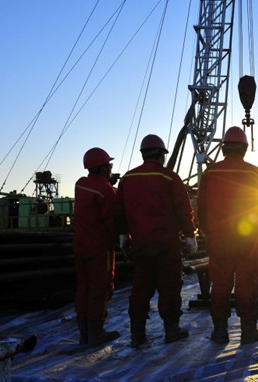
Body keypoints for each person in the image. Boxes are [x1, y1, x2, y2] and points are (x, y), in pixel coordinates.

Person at [114, 134, 198, 347]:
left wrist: (123, 236)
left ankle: (137, 335)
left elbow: (120, 211)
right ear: (162, 154)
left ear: (143, 154)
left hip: (141, 245)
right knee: (169, 287)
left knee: (141, 289)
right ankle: (171, 330)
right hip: (166, 245)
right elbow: (183, 209)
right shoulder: (170, 178)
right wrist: (190, 235)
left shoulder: (127, 179)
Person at [197, 126, 258, 345]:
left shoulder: (210, 173)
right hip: (247, 238)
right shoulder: (254, 172)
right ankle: (248, 331)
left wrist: (207, 231)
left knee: (220, 284)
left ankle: (220, 332)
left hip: (219, 238)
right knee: (247, 283)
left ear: (223, 149)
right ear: (244, 149)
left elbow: (201, 208)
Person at [73, 147, 120, 346]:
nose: (110, 167)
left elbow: (93, 197)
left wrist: (107, 183)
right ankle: (96, 332)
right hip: (100, 248)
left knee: (84, 287)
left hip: (80, 246)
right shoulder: (106, 191)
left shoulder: (80, 184)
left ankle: (84, 333)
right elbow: (111, 222)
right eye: (108, 165)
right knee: (100, 289)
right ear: (101, 168)